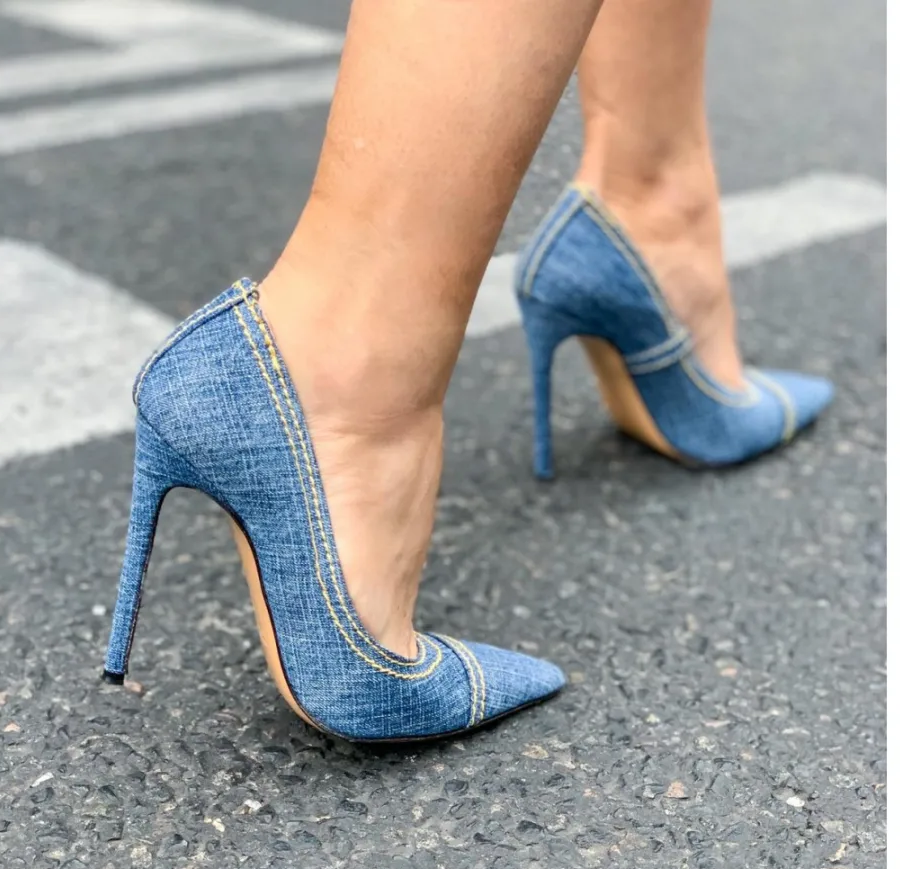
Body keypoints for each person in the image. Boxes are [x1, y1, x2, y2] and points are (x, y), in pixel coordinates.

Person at [102, 0, 832, 742]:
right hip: (318, 379)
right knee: (368, 326)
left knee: (648, 182)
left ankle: (650, 206)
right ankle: (343, 362)